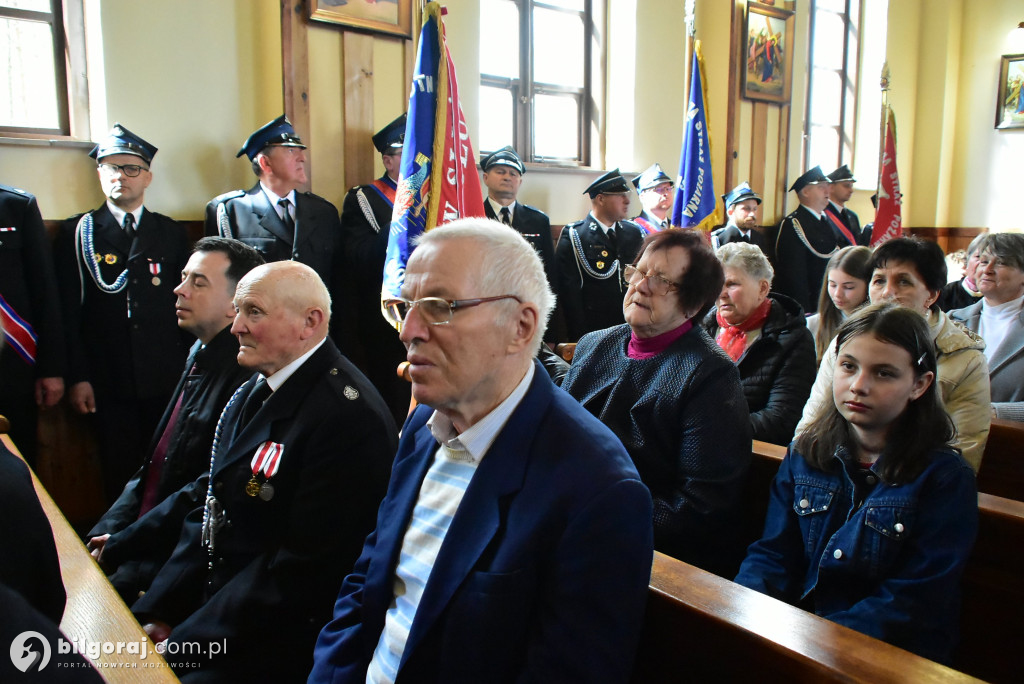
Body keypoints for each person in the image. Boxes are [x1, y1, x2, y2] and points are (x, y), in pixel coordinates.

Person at [309, 220, 654, 683]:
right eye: (404, 306)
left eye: (438, 306)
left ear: (520, 326)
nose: (408, 330)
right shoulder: (421, 427)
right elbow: (368, 582)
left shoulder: (598, 489)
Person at [132, 261, 396, 681]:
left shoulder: (347, 416)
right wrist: (159, 610)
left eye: (253, 311)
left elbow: (300, 573)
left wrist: (183, 645)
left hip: (284, 636)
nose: (236, 325)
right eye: (236, 310)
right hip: (225, 608)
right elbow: (213, 511)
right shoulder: (257, 387)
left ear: (310, 322)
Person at [735, 303, 978, 664]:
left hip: (888, 655)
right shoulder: (808, 452)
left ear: (919, 384)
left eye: (883, 373)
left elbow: (914, 598)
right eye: (849, 366)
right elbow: (774, 553)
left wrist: (816, 641)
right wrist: (742, 619)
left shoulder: (944, 477)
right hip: (801, 638)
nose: (859, 386)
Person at [562, 229, 750, 577]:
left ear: (693, 304)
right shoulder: (594, 345)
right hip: (568, 521)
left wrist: (595, 517)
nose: (641, 286)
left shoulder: (709, 374)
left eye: (662, 281)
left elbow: (700, 505)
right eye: (639, 272)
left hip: (646, 551)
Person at [86, 238, 265, 603]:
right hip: (143, 540)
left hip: (176, 558)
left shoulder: (245, 375)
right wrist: (107, 529)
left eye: (198, 283)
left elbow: (205, 489)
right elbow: (155, 465)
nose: (179, 289)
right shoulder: (198, 351)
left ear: (236, 306)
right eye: (184, 277)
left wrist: (121, 543)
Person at [54, 123, 191, 503]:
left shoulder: (169, 233)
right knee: (118, 469)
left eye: (131, 168)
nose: (121, 176)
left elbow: (189, 308)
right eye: (111, 167)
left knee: (170, 464)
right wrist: (78, 377)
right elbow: (69, 314)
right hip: (107, 378)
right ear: (100, 174)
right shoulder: (79, 233)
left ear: (147, 176)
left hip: (165, 374)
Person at [797, 237, 991, 470]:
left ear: (931, 294)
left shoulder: (963, 357)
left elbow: (963, 452)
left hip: (914, 484)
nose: (888, 292)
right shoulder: (845, 341)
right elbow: (812, 422)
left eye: (903, 282)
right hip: (837, 472)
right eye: (878, 281)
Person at [205, 114, 343, 314]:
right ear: (265, 163)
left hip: (313, 327)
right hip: (259, 329)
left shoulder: (323, 212)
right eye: (290, 150)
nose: (302, 158)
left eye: (300, 151)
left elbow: (340, 282)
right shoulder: (230, 211)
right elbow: (221, 287)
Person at [702, 242, 816, 445]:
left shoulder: (794, 339)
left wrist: (704, 426)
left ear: (763, 288)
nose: (721, 294)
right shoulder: (702, 326)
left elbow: (780, 419)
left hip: (752, 454)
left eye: (731, 284)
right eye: (716, 284)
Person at [339, 113, 410, 424]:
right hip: (386, 317)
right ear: (388, 160)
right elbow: (359, 259)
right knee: (393, 397)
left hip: (432, 309)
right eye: (405, 154)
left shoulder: (435, 199)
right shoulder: (365, 199)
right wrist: (400, 219)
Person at [0, 182, 65, 465]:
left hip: (11, 368)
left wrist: (51, 368)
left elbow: (44, 290)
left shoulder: (15, 206)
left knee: (19, 464)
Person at [480, 145, 563, 341]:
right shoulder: (472, 216)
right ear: (486, 178)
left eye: (513, 174)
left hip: (525, 312)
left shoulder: (538, 220)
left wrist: (551, 332)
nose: (507, 177)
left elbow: (549, 277)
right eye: (500, 172)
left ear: (520, 181)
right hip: (484, 311)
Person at [555, 169, 646, 341]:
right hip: (594, 329)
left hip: (631, 327)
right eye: (619, 195)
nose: (627, 201)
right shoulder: (576, 234)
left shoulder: (633, 232)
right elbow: (569, 294)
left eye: (626, 195)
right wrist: (579, 338)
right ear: (601, 198)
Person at [950, 232, 1024, 421]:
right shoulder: (952, 321)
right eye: (983, 262)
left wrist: (995, 412)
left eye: (1001, 263)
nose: (988, 270)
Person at [773, 166, 839, 314]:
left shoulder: (827, 222)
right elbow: (794, 274)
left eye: (828, 187)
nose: (827, 192)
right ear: (805, 192)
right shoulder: (794, 224)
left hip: (828, 301)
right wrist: (804, 309)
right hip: (808, 305)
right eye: (821, 187)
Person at [806, 246, 872, 363]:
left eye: (848, 287)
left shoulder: (878, 326)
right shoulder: (812, 325)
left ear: (869, 285)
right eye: (832, 285)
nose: (837, 294)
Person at [711, 181, 767, 252]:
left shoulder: (759, 238)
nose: (752, 214)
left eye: (755, 209)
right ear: (730, 212)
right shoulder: (720, 239)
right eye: (746, 209)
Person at [938, 233, 985, 312]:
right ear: (967, 259)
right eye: (978, 257)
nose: (984, 264)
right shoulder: (946, 293)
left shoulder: (1000, 297)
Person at [824, 164, 864, 247]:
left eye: (851, 186)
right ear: (831, 188)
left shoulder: (853, 216)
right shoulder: (823, 214)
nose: (851, 190)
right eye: (846, 186)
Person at [631, 163, 673, 233]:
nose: (665, 193)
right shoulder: (633, 229)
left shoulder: (676, 227)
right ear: (642, 196)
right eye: (658, 189)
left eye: (668, 189)